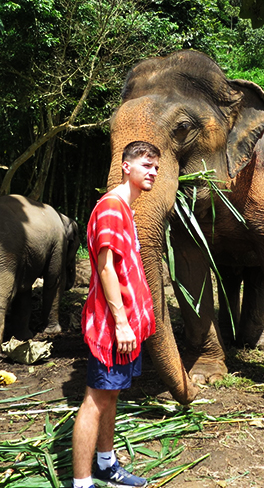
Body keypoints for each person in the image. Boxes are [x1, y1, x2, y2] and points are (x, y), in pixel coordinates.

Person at [71, 141, 161, 488]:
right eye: (145, 164)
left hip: (125, 327)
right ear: (126, 167)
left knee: (111, 395)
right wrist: (122, 323)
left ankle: (106, 464)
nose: (152, 171)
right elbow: (107, 270)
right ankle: (82, 482)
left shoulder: (126, 209)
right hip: (111, 328)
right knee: (95, 399)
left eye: (156, 166)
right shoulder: (111, 208)